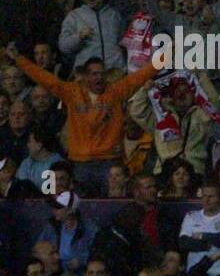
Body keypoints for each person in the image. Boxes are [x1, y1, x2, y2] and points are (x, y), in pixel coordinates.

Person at [9, 47, 160, 195]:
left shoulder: (115, 92)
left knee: (110, 207)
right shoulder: (72, 93)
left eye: (101, 74)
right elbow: (46, 79)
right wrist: (19, 59)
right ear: (86, 76)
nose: (99, 77)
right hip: (80, 164)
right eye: (94, 74)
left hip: (110, 162)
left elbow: (142, 74)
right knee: (80, 208)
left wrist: (165, 57)